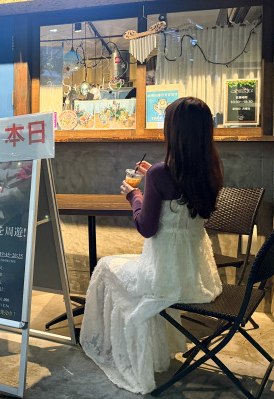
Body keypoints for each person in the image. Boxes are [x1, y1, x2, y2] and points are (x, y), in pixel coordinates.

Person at [79, 97, 224, 394]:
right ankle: (159, 350)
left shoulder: (161, 173)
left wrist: (134, 196)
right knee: (116, 266)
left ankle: (118, 350)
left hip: (162, 278)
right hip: (198, 277)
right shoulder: (211, 169)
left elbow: (146, 228)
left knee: (105, 265)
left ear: (174, 132)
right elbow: (179, 189)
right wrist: (151, 178)